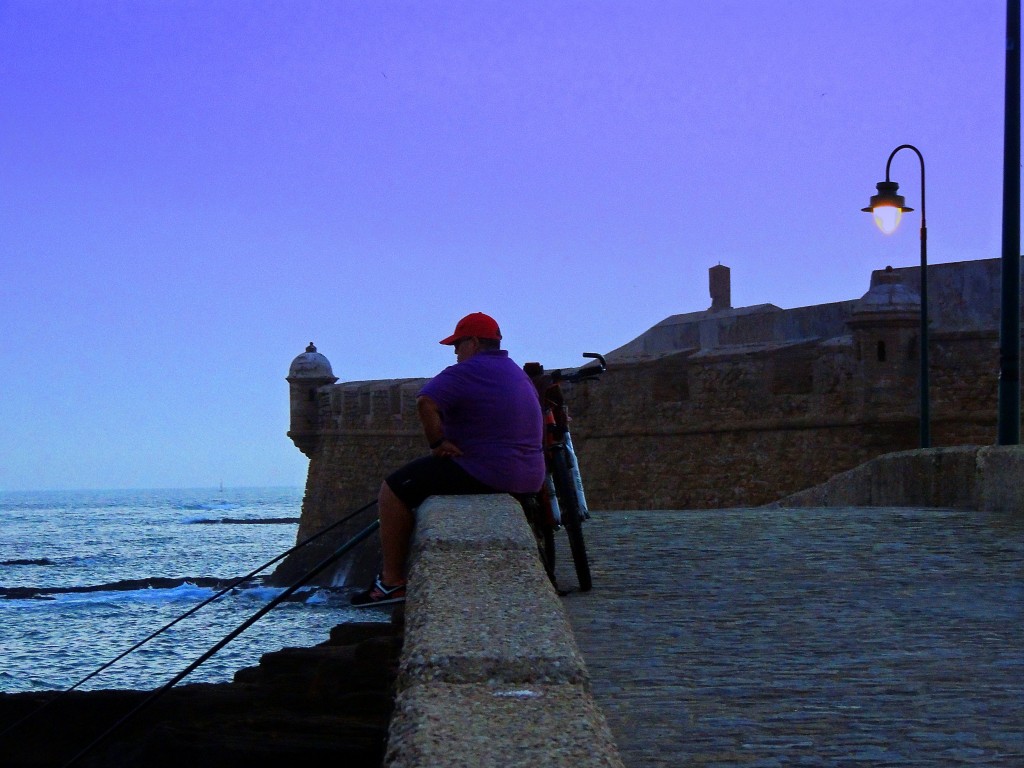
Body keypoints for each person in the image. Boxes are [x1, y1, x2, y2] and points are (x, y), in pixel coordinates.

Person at [351, 312, 546, 606]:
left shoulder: (467, 371)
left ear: (475, 343)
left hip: (487, 472)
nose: (455, 352)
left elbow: (425, 401)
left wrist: (438, 442)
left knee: (393, 489)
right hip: (530, 476)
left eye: (458, 344)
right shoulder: (514, 371)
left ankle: (391, 582)